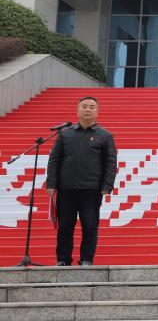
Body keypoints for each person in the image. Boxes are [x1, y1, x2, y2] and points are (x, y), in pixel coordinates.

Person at [45, 96, 117, 266]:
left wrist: (107, 185)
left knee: (90, 226)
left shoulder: (105, 135)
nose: (88, 109)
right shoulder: (65, 133)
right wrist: (51, 183)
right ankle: (63, 260)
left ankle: (86, 259)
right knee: (65, 227)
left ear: (97, 112)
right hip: (66, 188)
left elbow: (110, 162)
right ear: (77, 111)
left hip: (92, 189)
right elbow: (54, 159)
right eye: (84, 106)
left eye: (92, 107)